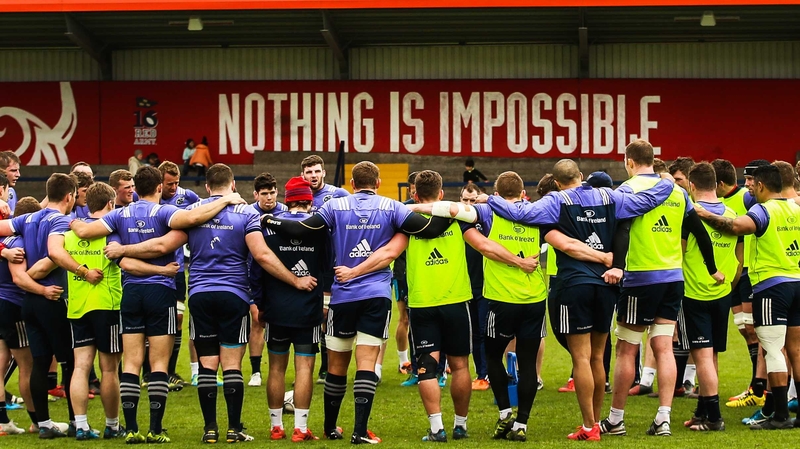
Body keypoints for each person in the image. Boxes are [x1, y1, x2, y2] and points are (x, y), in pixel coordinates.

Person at [107, 165, 316, 444]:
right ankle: (233, 429)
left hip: (200, 295)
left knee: (207, 366)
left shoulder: (193, 214)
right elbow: (263, 256)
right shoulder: (247, 214)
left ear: (207, 187)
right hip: (234, 295)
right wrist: (295, 280)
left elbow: (162, 244)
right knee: (231, 365)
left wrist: (123, 250)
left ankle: (209, 430)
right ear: (232, 186)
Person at [262, 161, 454, 444]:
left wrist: (270, 220)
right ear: (378, 183)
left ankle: (330, 428)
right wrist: (455, 211)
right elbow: (430, 228)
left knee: (337, 367)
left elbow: (303, 229)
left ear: (351, 185)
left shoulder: (336, 205)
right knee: (366, 363)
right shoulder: (392, 207)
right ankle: (360, 431)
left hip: (342, 296)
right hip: (375, 295)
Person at [341, 170, 539, 442]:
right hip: (457, 301)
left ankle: (437, 428)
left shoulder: (407, 221)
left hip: (423, 303)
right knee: (460, 366)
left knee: (426, 366)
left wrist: (353, 272)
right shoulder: (457, 220)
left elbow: (387, 253)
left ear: (414, 194)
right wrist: (519, 262)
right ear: (442, 194)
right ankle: (461, 425)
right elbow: (486, 247)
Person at [69, 166, 249, 444]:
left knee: (130, 363)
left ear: (135, 189)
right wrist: (225, 199)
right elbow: (173, 237)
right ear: (158, 188)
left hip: (130, 293)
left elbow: (99, 241)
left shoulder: (119, 215)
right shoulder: (165, 212)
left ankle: (130, 429)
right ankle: (154, 428)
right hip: (161, 293)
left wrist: (70, 222)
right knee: (159, 364)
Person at [599, 140, 722, 437]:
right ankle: (663, 418)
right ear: (653, 161)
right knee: (664, 347)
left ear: (629, 162)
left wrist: (615, 264)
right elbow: (698, 230)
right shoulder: (678, 192)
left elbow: (623, 229)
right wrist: (712, 268)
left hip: (641, 278)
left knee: (627, 349)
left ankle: (616, 419)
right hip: (672, 279)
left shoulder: (626, 191)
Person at [697, 164, 800, 430]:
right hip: (797, 282)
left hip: (771, 286)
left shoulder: (762, 209)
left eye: (753, 183)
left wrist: (702, 212)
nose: (749, 187)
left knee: (773, 349)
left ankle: (779, 416)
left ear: (764, 186)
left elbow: (735, 226)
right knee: (797, 351)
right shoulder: (796, 208)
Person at [0, 174, 82, 439]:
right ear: (69, 197)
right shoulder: (61, 220)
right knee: (69, 362)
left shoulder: (27, 219)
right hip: (52, 297)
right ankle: (75, 421)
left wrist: (4, 251)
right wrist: (80, 270)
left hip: (29, 304)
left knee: (38, 362)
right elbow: (55, 255)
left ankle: (44, 424)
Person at [253, 176, 325, 442]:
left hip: (276, 308)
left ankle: (276, 427)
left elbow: (257, 269)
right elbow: (327, 267)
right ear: (310, 200)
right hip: (308, 309)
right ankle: (301, 429)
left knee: (275, 368)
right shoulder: (319, 228)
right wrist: (325, 302)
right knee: (305, 368)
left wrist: (259, 304)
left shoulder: (268, 229)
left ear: (286, 199)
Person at [680, 162, 743, 432]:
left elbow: (679, 252)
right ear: (716, 184)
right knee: (712, 354)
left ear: (692, 186)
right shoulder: (732, 215)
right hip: (723, 292)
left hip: (695, 292)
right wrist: (729, 286)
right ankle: (703, 411)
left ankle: (714, 418)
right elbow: (740, 262)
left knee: (702, 356)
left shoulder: (689, 215)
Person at [0, 195, 48, 436]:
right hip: (13, 305)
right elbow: (22, 278)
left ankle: (2, 421)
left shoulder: (3, 239)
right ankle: (36, 422)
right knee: (26, 366)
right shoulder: (20, 243)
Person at [300, 155, 349, 384]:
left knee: (326, 314)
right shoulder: (298, 194)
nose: (313, 176)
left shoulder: (338, 194)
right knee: (309, 314)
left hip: (331, 264)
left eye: (316, 171)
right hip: (307, 263)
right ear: (303, 175)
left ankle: (326, 367)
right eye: (309, 172)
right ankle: (306, 369)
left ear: (324, 172)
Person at [158, 161, 200, 390]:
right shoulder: (149, 198)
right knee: (154, 321)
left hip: (175, 269)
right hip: (151, 268)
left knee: (178, 319)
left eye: (176, 183)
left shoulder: (189, 197)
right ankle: (153, 372)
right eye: (169, 183)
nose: (173, 187)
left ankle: (170, 372)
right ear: (159, 182)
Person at [246, 173, 287, 388]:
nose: (269, 198)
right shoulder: (248, 213)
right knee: (257, 320)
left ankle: (277, 370)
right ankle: (255, 371)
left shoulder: (286, 213)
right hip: (254, 275)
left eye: (272, 193)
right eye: (264, 194)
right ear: (256, 195)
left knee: (280, 322)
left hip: (279, 276)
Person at [460, 183, 490, 391]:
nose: (469, 204)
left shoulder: (487, 219)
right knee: (465, 333)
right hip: (461, 285)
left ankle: (484, 374)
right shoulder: (453, 220)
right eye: (465, 200)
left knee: (483, 331)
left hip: (485, 286)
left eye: (473, 200)